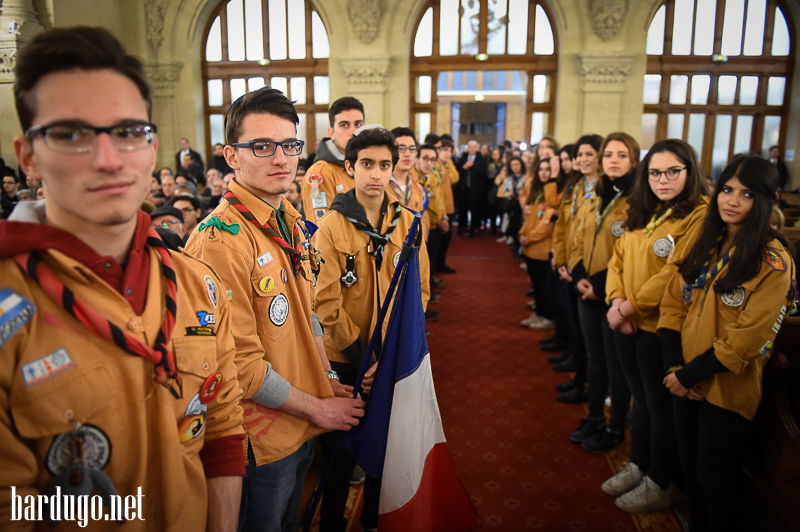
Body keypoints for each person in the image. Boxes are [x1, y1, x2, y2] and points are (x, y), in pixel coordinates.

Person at [2, 25, 245, 531]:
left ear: (152, 146)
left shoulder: (195, 282)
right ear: (28, 156)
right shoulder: (10, 307)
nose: (109, 159)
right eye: (71, 134)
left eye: (129, 131)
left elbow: (222, 431)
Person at [183, 87, 365, 532]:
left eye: (289, 145)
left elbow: (308, 314)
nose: (281, 158)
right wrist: (317, 408)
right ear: (232, 155)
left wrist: (327, 381)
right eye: (261, 146)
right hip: (258, 438)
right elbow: (236, 366)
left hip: (302, 417)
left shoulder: (288, 219)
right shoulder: (220, 241)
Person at [659, 155, 796, 531]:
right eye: (727, 189)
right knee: (688, 469)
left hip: (725, 386)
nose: (732, 200)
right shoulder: (706, 242)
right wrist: (675, 368)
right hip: (685, 378)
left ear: (766, 200)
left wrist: (691, 374)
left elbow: (748, 337)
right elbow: (672, 305)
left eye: (747, 194)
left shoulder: (772, 259)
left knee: (714, 478)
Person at [312, 126, 430, 532]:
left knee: (386, 448)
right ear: (350, 168)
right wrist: (365, 354)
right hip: (348, 361)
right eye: (366, 164)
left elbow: (421, 292)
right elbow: (325, 302)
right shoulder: (330, 227)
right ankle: (331, 521)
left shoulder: (410, 225)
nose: (376, 174)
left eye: (384, 165)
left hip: (392, 360)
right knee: (340, 453)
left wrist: (394, 349)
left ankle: (373, 520)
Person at [603, 139, 709, 513]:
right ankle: (640, 464)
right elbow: (617, 259)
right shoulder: (644, 208)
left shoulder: (698, 214)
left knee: (659, 407)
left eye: (672, 172)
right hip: (627, 319)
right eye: (654, 173)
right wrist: (616, 301)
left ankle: (660, 481)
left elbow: (674, 272)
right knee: (640, 402)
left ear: (689, 171)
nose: (662, 180)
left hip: (657, 326)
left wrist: (630, 307)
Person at [568, 133, 638, 451]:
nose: (612, 160)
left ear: (634, 160)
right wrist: (578, 274)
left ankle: (614, 427)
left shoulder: (637, 199)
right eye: (608, 154)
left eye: (621, 155)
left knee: (615, 366)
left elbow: (630, 255)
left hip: (613, 295)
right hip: (588, 287)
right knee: (595, 360)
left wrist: (599, 285)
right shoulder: (597, 192)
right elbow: (580, 237)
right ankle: (595, 416)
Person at [551, 135, 602, 402]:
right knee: (576, 326)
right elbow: (562, 227)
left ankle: (584, 383)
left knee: (588, 337)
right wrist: (560, 260)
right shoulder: (576, 186)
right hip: (570, 266)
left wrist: (576, 269)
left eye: (589, 154)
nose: (582, 159)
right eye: (579, 155)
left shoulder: (605, 190)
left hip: (590, 274)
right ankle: (578, 375)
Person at [300, 96, 365, 224]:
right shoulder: (321, 173)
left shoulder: (366, 167)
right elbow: (320, 230)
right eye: (344, 125)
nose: (353, 131)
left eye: (358, 124)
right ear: (332, 133)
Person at [518, 157, 557, 329]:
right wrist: (522, 233)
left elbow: (546, 225)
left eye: (548, 169)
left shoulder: (552, 195)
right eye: (541, 169)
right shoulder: (537, 191)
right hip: (530, 246)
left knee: (544, 286)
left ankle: (546, 315)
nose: (544, 173)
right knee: (536, 284)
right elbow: (531, 218)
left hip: (542, 246)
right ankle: (539, 312)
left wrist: (529, 237)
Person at [434, 134, 459, 273]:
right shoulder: (435, 165)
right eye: (445, 150)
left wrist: (448, 162)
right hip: (439, 209)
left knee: (446, 239)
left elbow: (455, 178)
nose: (448, 153)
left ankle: (441, 263)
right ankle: (437, 267)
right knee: (439, 241)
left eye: (450, 151)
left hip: (448, 206)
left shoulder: (447, 164)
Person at [456, 140, 489, 236]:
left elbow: (484, 174)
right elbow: (457, 171)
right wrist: (464, 167)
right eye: (470, 147)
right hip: (463, 189)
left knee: (475, 210)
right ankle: (462, 228)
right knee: (463, 209)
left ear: (477, 148)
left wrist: (473, 166)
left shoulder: (481, 159)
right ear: (467, 148)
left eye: (474, 147)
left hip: (476, 190)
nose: (472, 149)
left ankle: (474, 228)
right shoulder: (462, 157)